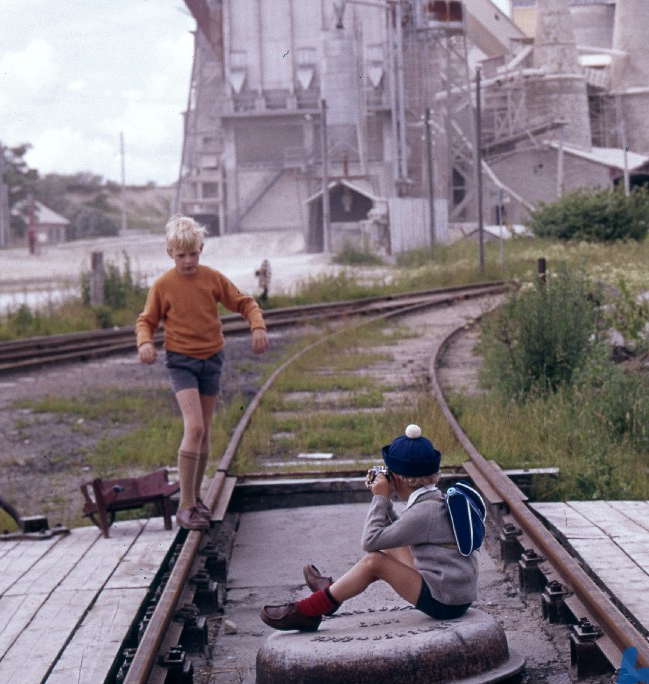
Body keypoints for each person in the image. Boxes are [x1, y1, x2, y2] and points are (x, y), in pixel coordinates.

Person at [260, 423, 478, 631]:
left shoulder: (424, 512)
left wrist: (381, 499)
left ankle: (308, 611)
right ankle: (331, 593)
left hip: (444, 601)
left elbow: (370, 541)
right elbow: (397, 532)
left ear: (400, 479)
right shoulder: (432, 500)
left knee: (374, 561)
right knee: (390, 548)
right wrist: (384, 500)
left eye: (390, 475)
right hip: (454, 591)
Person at [137, 217, 269, 530]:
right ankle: (185, 506)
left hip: (212, 360)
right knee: (194, 427)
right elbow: (146, 320)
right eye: (181, 255)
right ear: (170, 253)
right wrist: (145, 343)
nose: (188, 261)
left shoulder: (211, 278)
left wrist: (258, 326)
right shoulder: (163, 285)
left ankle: (195, 498)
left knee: (204, 432)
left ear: (201, 250)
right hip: (182, 362)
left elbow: (245, 303)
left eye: (193, 254)